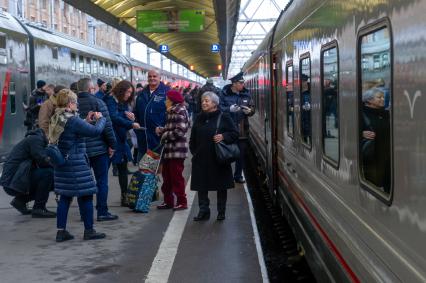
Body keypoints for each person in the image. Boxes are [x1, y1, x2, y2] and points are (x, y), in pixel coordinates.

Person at [49, 89, 107, 242]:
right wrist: (101, 119)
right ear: (69, 103)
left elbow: (72, 133)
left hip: (62, 163)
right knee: (86, 195)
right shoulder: (72, 120)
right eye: (75, 102)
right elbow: (95, 132)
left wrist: (86, 122)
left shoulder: (57, 116)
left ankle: (61, 232)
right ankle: (89, 231)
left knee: (65, 197)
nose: (77, 105)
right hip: (76, 164)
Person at [190, 91, 239, 221]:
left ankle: (221, 212)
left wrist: (223, 136)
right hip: (201, 158)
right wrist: (194, 151)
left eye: (206, 101)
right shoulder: (199, 117)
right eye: (202, 101)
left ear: (215, 103)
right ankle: (203, 211)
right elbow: (193, 136)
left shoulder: (224, 117)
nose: (203, 103)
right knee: (201, 186)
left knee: (221, 186)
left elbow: (234, 133)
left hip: (218, 158)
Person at [76, 78, 118, 221]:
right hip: (99, 150)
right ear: (90, 89)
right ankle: (102, 212)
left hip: (80, 151)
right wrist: (113, 145)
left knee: (82, 183)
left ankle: (84, 214)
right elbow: (107, 127)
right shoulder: (98, 103)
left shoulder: (73, 104)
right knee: (101, 181)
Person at [0, 128, 56, 218]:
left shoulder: (33, 139)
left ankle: (20, 201)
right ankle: (39, 208)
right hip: (13, 182)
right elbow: (42, 160)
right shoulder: (36, 139)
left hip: (13, 181)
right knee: (48, 174)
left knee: (50, 179)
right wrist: (57, 167)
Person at [103, 80, 141, 206]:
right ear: (121, 90)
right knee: (104, 171)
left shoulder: (121, 101)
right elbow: (113, 117)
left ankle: (124, 196)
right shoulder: (110, 99)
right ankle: (102, 202)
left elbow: (120, 117)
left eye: (131, 92)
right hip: (109, 139)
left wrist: (129, 116)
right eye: (128, 91)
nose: (129, 95)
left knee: (123, 168)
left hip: (120, 138)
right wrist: (130, 123)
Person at [155, 90, 190, 210]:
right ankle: (168, 201)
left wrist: (165, 135)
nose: (165, 101)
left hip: (177, 150)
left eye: (167, 99)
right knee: (167, 176)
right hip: (170, 150)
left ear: (172, 100)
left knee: (176, 177)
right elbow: (173, 127)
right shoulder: (172, 111)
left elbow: (180, 130)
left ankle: (182, 201)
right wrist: (162, 129)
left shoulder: (179, 110)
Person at [219, 72, 255, 184]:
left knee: (241, 154)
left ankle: (238, 175)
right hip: (227, 130)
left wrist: (250, 111)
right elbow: (219, 108)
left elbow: (252, 108)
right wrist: (229, 109)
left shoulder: (246, 94)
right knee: (226, 153)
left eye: (243, 82)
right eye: (241, 83)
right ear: (234, 84)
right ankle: (225, 175)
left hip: (242, 129)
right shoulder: (224, 94)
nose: (243, 85)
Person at [133, 69, 170, 158]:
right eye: (150, 76)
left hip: (158, 140)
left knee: (151, 169)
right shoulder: (141, 94)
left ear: (160, 78)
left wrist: (164, 129)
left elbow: (172, 114)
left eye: (154, 76)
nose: (152, 78)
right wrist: (136, 125)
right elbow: (136, 112)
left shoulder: (167, 92)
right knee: (144, 168)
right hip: (143, 138)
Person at [361, 88, 390, 193]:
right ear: (369, 100)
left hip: (387, 155)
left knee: (388, 183)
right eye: (379, 97)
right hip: (372, 157)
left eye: (383, 97)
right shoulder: (361, 114)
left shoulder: (386, 114)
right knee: (373, 185)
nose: (383, 99)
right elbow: (349, 132)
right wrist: (360, 133)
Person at [300, 74, 312, 145]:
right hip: (302, 119)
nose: (302, 83)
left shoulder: (311, 92)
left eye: (304, 81)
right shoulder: (298, 92)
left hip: (309, 119)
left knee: (310, 135)